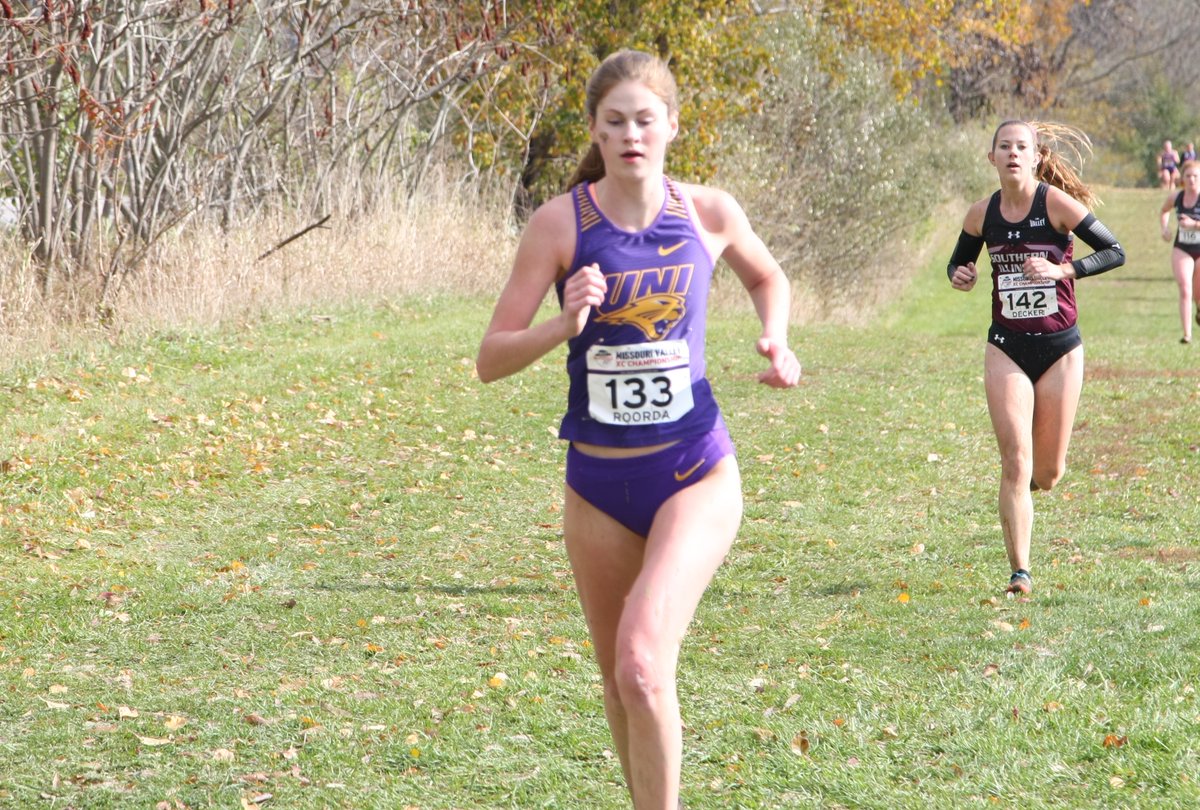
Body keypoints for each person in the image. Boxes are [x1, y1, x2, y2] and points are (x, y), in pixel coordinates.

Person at [476, 49, 801, 809]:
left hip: (693, 473)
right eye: (614, 120)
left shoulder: (708, 211)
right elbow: (491, 359)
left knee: (645, 665)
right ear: (594, 128)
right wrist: (565, 322)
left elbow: (767, 275)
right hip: (596, 487)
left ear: (672, 127)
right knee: (622, 687)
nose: (630, 134)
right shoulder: (560, 224)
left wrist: (777, 337)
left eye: (645, 120)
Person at [946, 120, 1125, 596]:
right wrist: (959, 275)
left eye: (1021, 147)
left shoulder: (1057, 205)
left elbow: (1114, 250)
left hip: (1060, 349)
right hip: (1005, 346)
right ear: (992, 158)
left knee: (1047, 473)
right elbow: (958, 262)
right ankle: (1019, 572)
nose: (1012, 154)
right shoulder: (981, 214)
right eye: (1004, 146)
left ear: (1036, 156)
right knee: (1015, 461)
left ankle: (1026, 494)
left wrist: (1060, 268)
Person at [1160, 160, 1200, 343]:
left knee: (1197, 292)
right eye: (1188, 176)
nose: (1192, 179)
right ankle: (1187, 334)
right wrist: (1165, 228)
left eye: (1196, 176)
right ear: (1182, 178)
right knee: (1185, 288)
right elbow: (1164, 211)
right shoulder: (1176, 197)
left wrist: (1194, 225)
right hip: (1182, 248)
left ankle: (1198, 308)